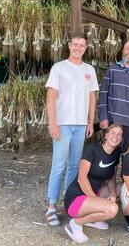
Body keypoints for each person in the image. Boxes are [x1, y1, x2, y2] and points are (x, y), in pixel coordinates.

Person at [45, 33, 99, 227]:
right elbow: (51, 97)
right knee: (59, 165)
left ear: (85, 47)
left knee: (74, 166)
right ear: (69, 45)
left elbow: (92, 97)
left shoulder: (89, 70)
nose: (78, 48)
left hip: (80, 125)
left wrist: (90, 122)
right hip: (63, 124)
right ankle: (51, 206)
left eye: (81, 45)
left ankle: (69, 204)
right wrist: (53, 124)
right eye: (75, 44)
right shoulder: (59, 68)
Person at [63, 124, 123, 243]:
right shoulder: (92, 149)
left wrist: (112, 194)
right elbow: (81, 179)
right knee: (112, 209)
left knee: (122, 188)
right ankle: (75, 224)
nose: (116, 136)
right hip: (76, 199)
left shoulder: (116, 153)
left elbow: (111, 178)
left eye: (119, 134)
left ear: (121, 139)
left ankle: (93, 219)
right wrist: (97, 201)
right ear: (106, 135)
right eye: (113, 133)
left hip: (94, 193)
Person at [98, 40, 129, 153]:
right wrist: (103, 117)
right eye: (127, 49)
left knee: (128, 155)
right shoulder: (112, 69)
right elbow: (103, 95)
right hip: (112, 121)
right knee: (109, 154)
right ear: (122, 51)